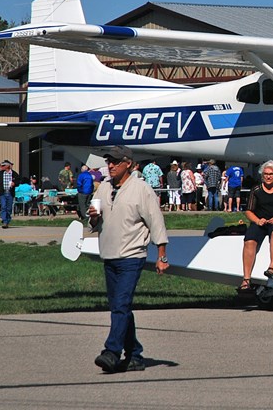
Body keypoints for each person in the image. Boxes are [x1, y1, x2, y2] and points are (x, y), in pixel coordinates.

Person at [89, 145, 169, 373]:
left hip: (132, 256)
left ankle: (111, 352)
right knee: (119, 307)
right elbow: (94, 222)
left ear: (129, 164)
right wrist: (94, 218)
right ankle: (135, 355)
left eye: (115, 162)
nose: (110, 166)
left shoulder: (141, 189)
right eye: (108, 162)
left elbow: (156, 222)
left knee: (121, 305)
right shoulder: (103, 188)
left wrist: (162, 255)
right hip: (109, 255)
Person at [238, 160, 273, 291]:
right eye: (265, 174)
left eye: (271, 174)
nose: (268, 176)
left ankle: (272, 268)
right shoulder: (256, 190)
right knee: (249, 241)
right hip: (260, 222)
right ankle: (246, 279)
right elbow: (248, 211)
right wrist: (257, 220)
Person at [0, 160, 20, 228]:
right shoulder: (0, 174)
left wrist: (14, 183)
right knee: (3, 206)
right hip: (3, 193)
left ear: (8, 166)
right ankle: (4, 221)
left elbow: (19, 181)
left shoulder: (14, 174)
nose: (1, 167)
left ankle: (7, 220)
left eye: (3, 166)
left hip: (10, 193)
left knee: (9, 208)